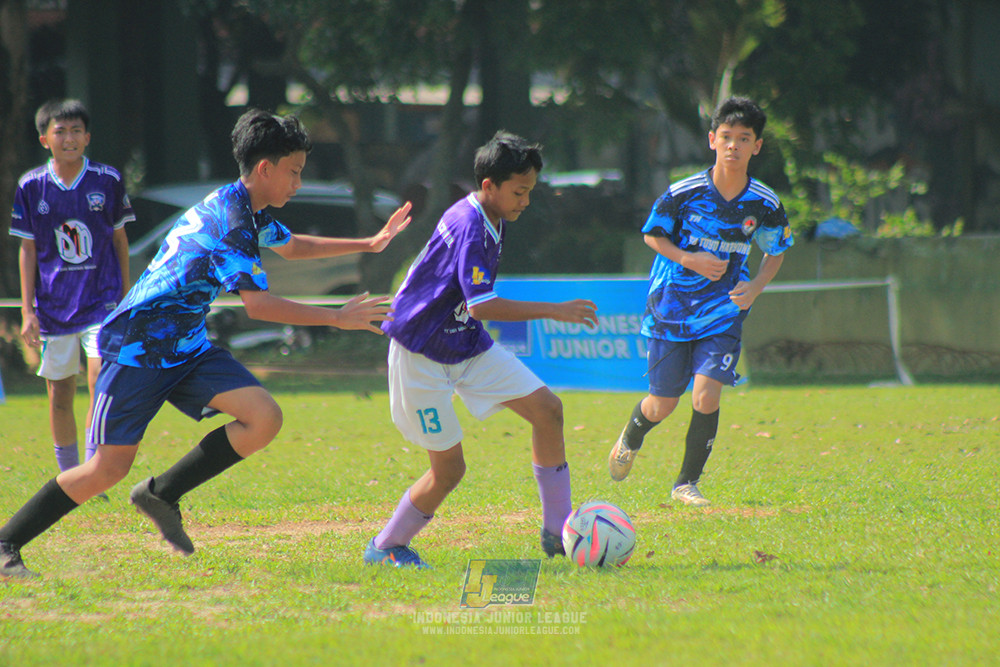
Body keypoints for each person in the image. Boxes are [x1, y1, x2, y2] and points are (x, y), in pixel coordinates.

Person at [0, 109, 412, 579]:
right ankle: (6, 541)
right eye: (294, 172)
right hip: (134, 348)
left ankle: (162, 493)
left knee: (264, 417)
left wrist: (371, 242)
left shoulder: (243, 206)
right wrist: (337, 317)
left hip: (186, 347)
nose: (298, 182)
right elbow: (259, 307)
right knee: (105, 470)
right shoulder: (234, 220)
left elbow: (293, 245)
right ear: (265, 169)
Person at [363, 130, 598, 569]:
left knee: (548, 410)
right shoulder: (470, 223)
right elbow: (483, 303)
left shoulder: (493, 217)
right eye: (518, 192)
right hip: (421, 355)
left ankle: (557, 531)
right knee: (450, 472)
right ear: (488, 186)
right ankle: (385, 547)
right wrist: (553, 310)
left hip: (465, 344)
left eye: (529, 191)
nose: (525, 201)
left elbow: (472, 307)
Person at [607, 96, 793, 506]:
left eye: (744, 139)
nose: (733, 146)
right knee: (662, 405)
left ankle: (686, 484)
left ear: (756, 146)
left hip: (725, 308)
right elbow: (652, 235)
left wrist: (757, 286)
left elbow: (776, 249)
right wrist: (688, 257)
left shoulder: (764, 202)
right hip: (671, 309)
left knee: (707, 395)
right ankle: (632, 434)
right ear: (712, 139)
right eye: (726, 137)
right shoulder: (684, 192)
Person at [10, 99, 133, 475]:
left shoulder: (106, 180)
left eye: (76, 130)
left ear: (88, 136)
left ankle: (96, 469)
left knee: (101, 380)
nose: (69, 138)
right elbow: (28, 250)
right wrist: (27, 310)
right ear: (45, 139)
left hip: (102, 299)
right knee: (60, 392)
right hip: (54, 307)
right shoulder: (32, 186)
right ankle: (68, 472)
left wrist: (125, 298)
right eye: (60, 131)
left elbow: (119, 241)